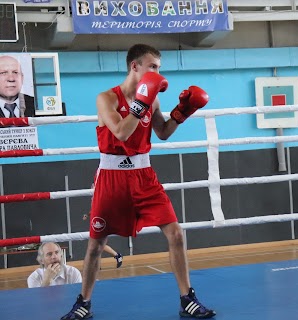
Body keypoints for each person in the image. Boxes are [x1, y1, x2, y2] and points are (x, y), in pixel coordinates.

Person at [60, 44, 215, 320]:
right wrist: (140, 103)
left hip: (145, 177)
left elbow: (163, 132)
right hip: (112, 178)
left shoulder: (152, 99)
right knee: (96, 245)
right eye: (152, 67)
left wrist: (183, 111)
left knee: (176, 233)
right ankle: (83, 302)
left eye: (158, 68)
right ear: (135, 67)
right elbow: (120, 132)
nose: (157, 73)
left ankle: (187, 299)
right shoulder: (106, 99)